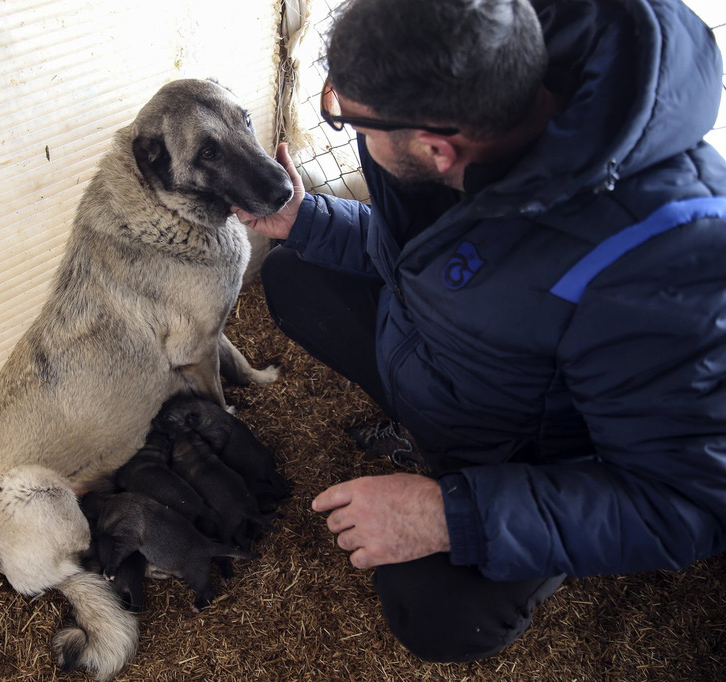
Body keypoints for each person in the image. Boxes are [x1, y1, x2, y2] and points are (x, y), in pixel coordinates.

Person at [234, 0, 726, 663]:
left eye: (348, 118)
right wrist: (308, 219)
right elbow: (429, 258)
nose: (347, 126)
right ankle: (430, 437)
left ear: (437, 146)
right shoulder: (491, 89)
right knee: (295, 274)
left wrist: (451, 513)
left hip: (533, 454)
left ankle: (509, 539)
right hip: (458, 369)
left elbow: (687, 502)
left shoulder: (668, 263)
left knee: (438, 615)